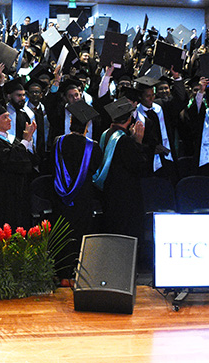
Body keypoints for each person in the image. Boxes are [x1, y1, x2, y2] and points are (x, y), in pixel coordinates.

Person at [50, 100, 103, 279]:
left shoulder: (58, 142)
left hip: (60, 197)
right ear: (87, 125)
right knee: (81, 233)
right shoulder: (93, 147)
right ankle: (79, 272)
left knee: (62, 232)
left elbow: (51, 165)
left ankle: (61, 271)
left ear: (71, 121)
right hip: (83, 196)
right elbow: (95, 168)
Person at [93, 98, 148, 242]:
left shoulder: (106, 134)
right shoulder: (124, 141)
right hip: (125, 196)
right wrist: (138, 142)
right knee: (125, 233)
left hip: (109, 193)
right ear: (129, 119)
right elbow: (139, 167)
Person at [0, 99, 37, 228]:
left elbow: (30, 161)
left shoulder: (13, 139)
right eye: (5, 117)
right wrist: (25, 141)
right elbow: (10, 160)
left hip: (20, 193)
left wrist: (28, 142)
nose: (10, 119)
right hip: (3, 196)